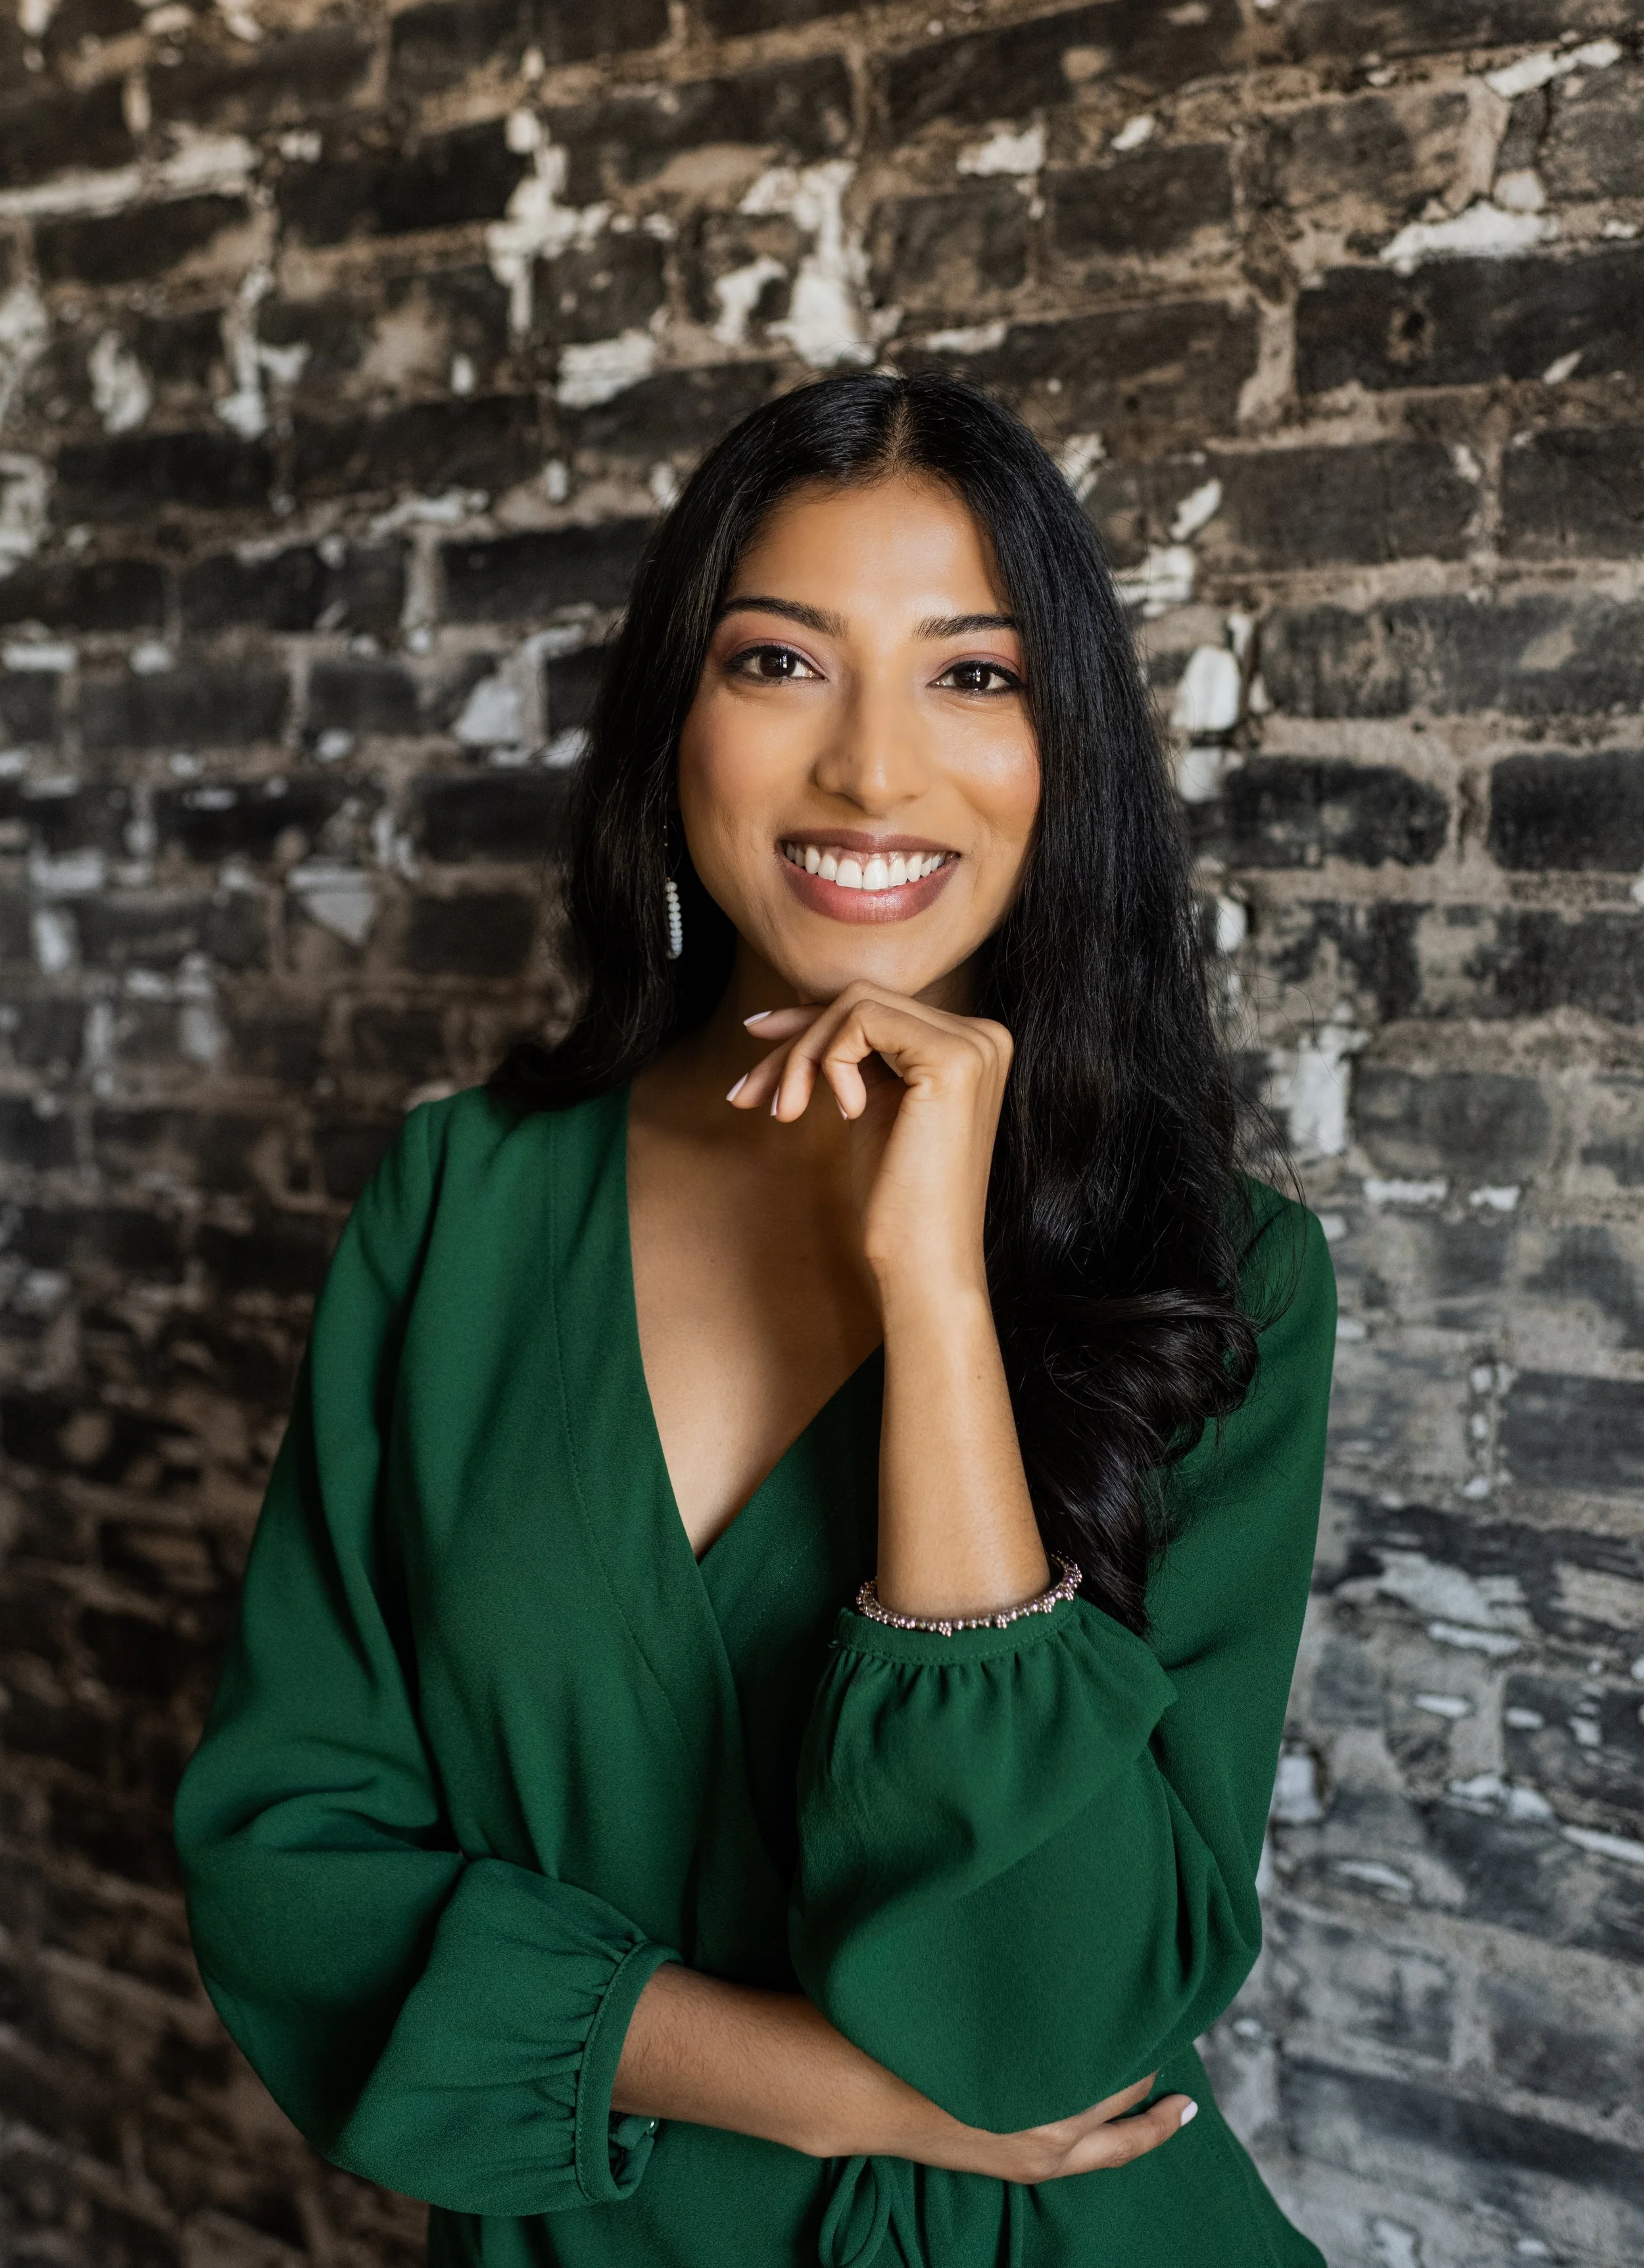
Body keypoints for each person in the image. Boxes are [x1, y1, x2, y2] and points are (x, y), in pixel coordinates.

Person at [174, 371, 1336, 2268]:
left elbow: (1046, 2018)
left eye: (975, 675)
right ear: (673, 724)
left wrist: (935, 1298)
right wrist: (847, 2093)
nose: (874, 773)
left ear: (1069, 755)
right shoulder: (465, 1203)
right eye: (781, 663)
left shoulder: (1223, 1280)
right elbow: (285, 1865)